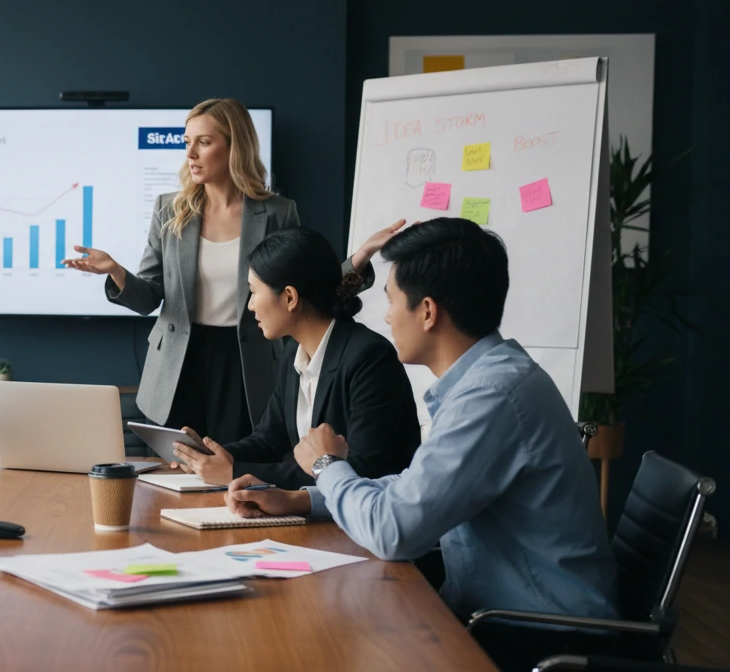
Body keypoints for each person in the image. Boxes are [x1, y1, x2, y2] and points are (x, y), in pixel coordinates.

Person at [224, 218, 617, 671]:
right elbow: (413, 488)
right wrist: (302, 499)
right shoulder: (489, 379)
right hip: (498, 615)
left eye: (392, 301)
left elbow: (394, 532)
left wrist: (327, 465)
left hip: (536, 637)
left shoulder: (491, 397)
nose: (387, 315)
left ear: (427, 311)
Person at [65, 98, 402, 444]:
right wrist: (116, 272)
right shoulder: (170, 209)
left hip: (248, 362)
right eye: (187, 142)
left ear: (234, 146)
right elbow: (148, 297)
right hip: (179, 362)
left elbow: (313, 287)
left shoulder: (277, 212)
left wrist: (360, 257)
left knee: (234, 470)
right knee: (172, 473)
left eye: (204, 142)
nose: (191, 154)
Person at [170, 228, 420, 489]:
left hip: (371, 517)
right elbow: (268, 440)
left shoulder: (369, 358)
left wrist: (233, 472)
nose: (250, 305)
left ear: (290, 297)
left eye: (253, 292)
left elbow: (363, 470)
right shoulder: (293, 351)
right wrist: (208, 457)